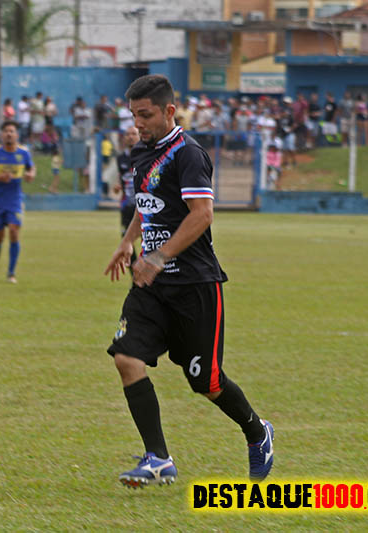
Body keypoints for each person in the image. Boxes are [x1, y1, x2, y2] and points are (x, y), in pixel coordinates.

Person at [103, 74, 273, 488]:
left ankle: (257, 432)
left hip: (194, 284)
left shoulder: (188, 154)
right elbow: (147, 204)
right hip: (151, 284)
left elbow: (202, 215)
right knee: (126, 358)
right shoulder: (142, 153)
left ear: (169, 111)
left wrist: (159, 256)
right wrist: (128, 243)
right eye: (133, 115)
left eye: (146, 115)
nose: (138, 123)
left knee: (206, 382)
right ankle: (158, 458)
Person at [0, 121, 36, 283]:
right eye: (6, 131)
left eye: (12, 131)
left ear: (16, 135)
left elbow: (31, 168)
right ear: (2, 135)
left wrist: (31, 175)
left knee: (13, 231)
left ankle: (11, 273)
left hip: (15, 199)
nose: (9, 134)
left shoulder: (24, 153)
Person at [113, 125, 139, 269]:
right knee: (126, 240)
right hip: (127, 206)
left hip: (143, 206)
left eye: (133, 134)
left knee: (148, 241)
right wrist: (118, 187)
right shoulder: (121, 158)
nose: (130, 137)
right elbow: (121, 177)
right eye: (128, 134)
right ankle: (134, 274)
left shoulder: (146, 155)